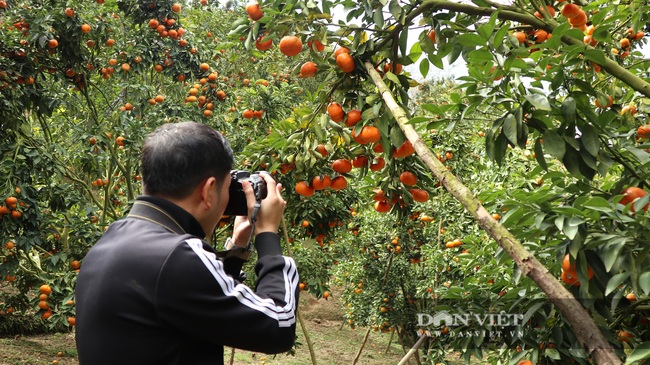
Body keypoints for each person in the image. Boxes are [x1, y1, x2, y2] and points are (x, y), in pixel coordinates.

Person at [75, 121, 299, 364]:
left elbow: (198, 303)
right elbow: (279, 324)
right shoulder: (178, 255)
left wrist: (236, 249)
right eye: (227, 188)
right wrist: (267, 235)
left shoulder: (113, 238)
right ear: (208, 191)